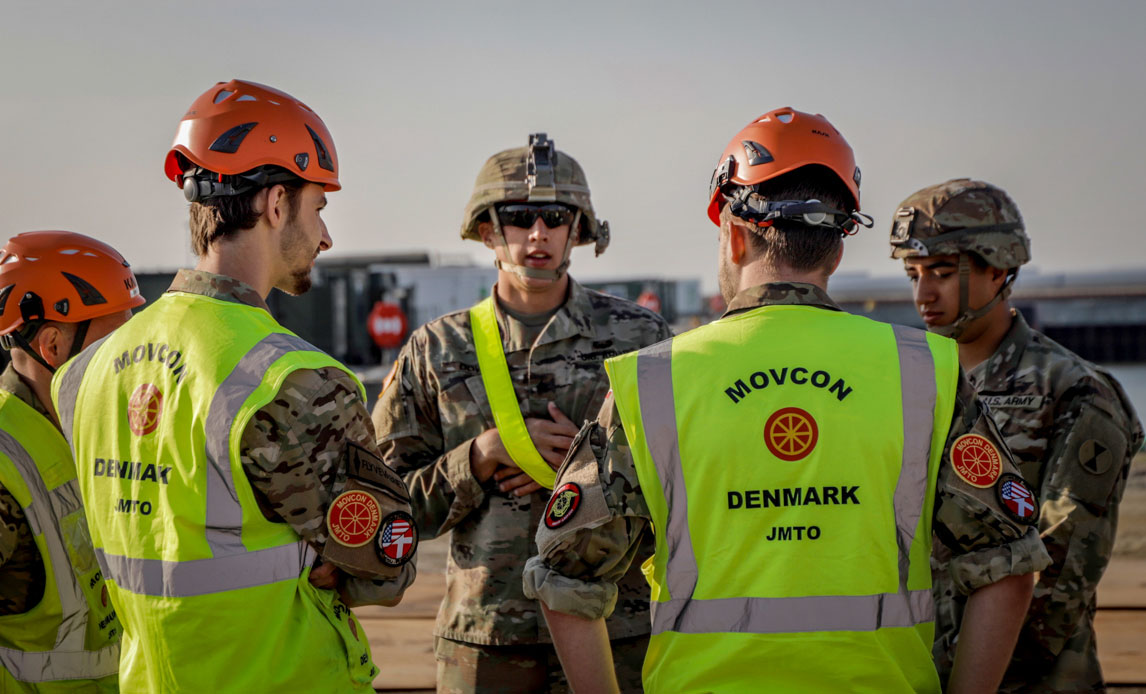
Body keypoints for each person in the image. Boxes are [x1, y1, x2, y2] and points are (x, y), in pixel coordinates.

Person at [524, 108, 1054, 694]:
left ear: (732, 233)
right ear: (836, 249)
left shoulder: (653, 382)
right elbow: (1007, 563)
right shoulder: (922, 370)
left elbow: (566, 579)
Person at [49, 79, 417, 693]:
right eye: (318, 207)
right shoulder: (297, 381)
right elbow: (384, 564)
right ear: (276, 203)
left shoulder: (82, 374)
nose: (325, 237)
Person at [371, 133, 672, 693]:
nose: (538, 234)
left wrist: (593, 470)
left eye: (555, 217)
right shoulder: (436, 350)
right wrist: (480, 456)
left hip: (614, 632)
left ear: (578, 229)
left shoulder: (639, 338)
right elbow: (389, 510)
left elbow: (682, 488)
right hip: (485, 640)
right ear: (488, 229)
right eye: (518, 217)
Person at [890, 178, 1144, 692]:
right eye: (913, 274)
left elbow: (1060, 573)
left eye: (941, 273)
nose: (923, 294)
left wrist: (966, 675)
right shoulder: (907, 385)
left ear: (1000, 270)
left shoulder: (1075, 391)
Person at [0, 231, 138, 692]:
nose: (134, 360)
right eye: (117, 343)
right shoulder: (5, 460)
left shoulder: (106, 430)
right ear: (54, 346)